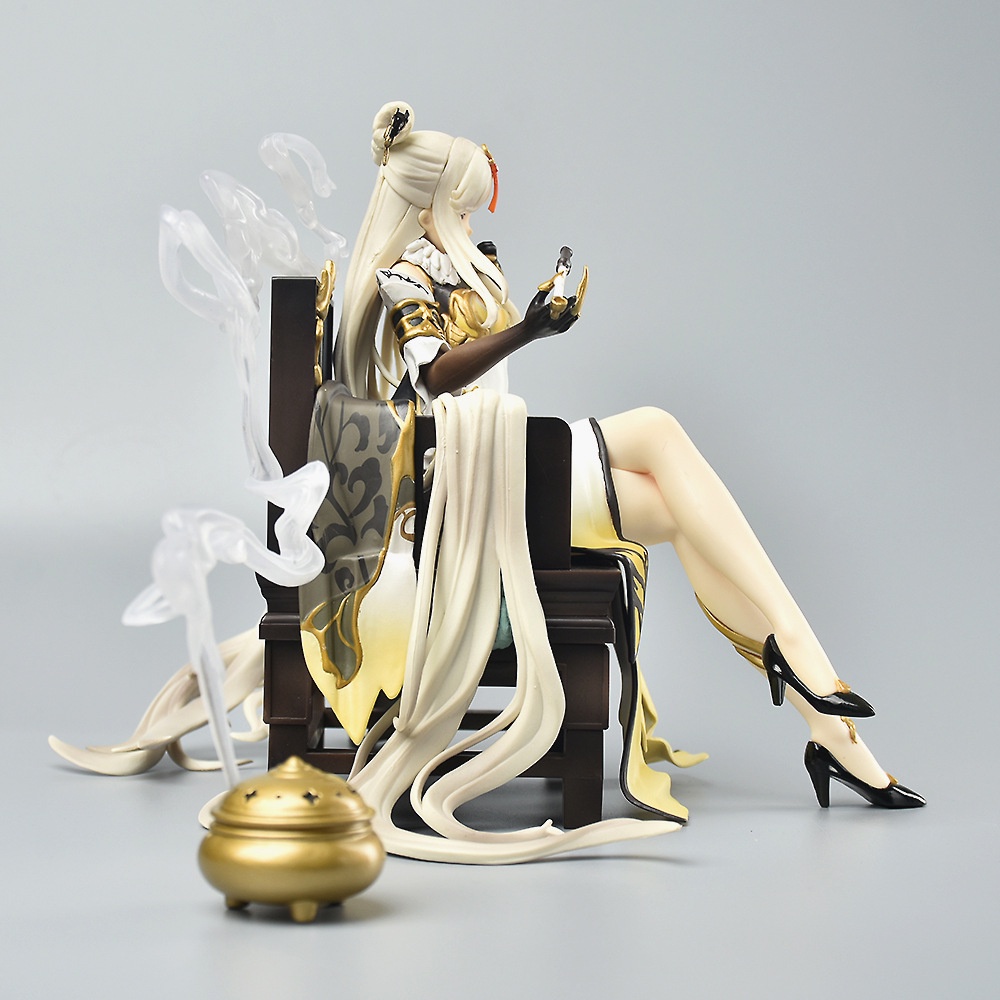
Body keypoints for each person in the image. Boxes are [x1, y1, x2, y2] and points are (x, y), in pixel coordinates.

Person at [316, 101, 924, 829]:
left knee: (672, 511)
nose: (473, 223)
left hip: (503, 457)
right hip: (470, 486)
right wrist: (530, 330)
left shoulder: (461, 264)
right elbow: (436, 375)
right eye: (465, 210)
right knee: (659, 433)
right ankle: (809, 672)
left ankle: (830, 727)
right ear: (434, 208)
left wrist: (533, 319)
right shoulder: (402, 277)